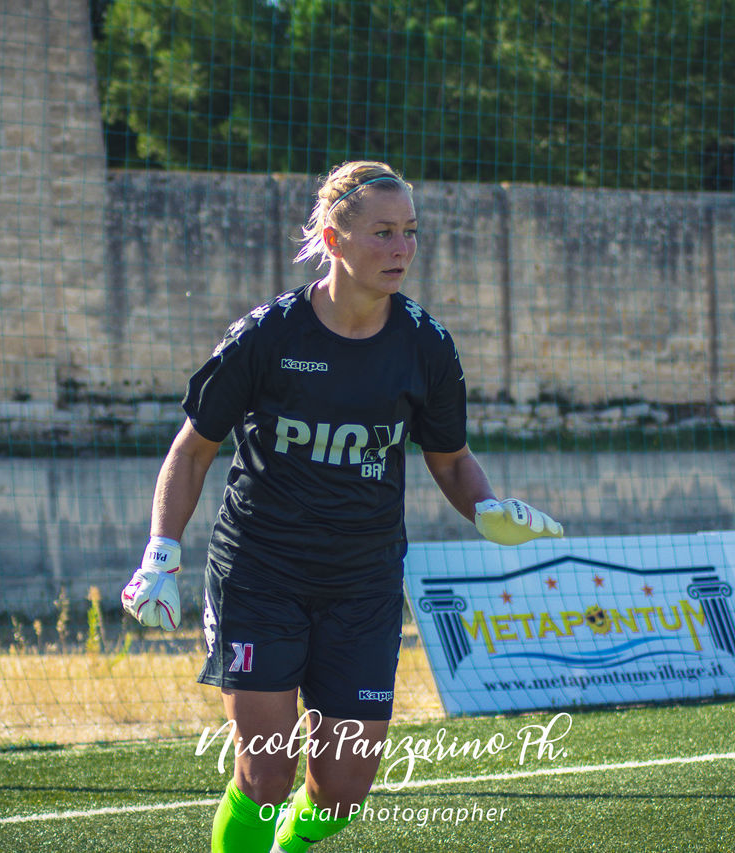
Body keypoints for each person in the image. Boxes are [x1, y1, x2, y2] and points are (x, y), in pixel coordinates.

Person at [122, 160, 563, 853]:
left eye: (411, 233)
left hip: (362, 584)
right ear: (334, 238)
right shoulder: (268, 336)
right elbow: (193, 449)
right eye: (383, 233)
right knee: (266, 774)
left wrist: (485, 509)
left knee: (343, 791)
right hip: (260, 576)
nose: (402, 249)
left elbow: (449, 458)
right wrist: (161, 553)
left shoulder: (426, 345)